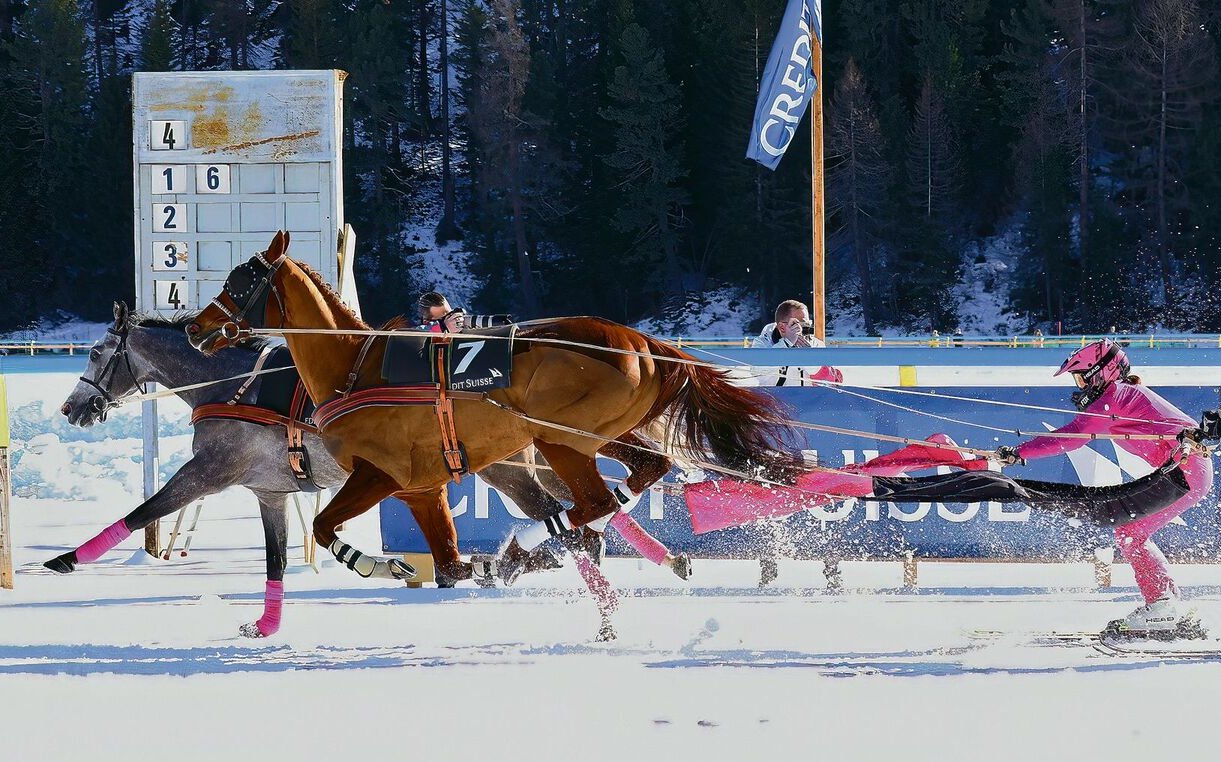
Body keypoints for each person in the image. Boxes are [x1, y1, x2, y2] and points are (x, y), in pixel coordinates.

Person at [992, 338, 1212, 639]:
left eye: (1082, 377)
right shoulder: (1119, 394)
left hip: (1186, 469)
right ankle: (1166, 606)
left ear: (1102, 372)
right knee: (1131, 533)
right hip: (1186, 470)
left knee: (1130, 533)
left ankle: (1163, 607)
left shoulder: (1117, 394)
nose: (1080, 386)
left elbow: (1074, 436)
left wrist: (1021, 452)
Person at [749, 300, 841, 585]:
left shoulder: (812, 343)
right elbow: (760, 375)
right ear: (782, 325)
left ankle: (831, 561)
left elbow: (830, 375)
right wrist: (785, 348)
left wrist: (810, 355)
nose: (806, 327)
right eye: (799, 322)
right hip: (774, 426)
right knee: (768, 490)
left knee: (818, 492)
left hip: (809, 425)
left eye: (807, 322)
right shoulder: (763, 344)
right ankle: (769, 559)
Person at [750, 300, 842, 386]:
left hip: (807, 400)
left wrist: (810, 359)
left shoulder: (815, 344)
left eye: (807, 324)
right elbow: (757, 371)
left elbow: (828, 382)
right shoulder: (764, 343)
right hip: (772, 400)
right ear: (782, 327)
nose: (804, 330)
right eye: (798, 325)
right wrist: (786, 344)